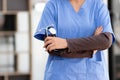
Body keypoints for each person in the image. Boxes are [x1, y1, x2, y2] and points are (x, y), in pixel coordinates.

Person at [34, 0, 115, 80]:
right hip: (60, 75)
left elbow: (105, 41)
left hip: (93, 75)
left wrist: (66, 43)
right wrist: (90, 49)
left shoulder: (98, 5)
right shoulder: (52, 5)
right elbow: (52, 48)